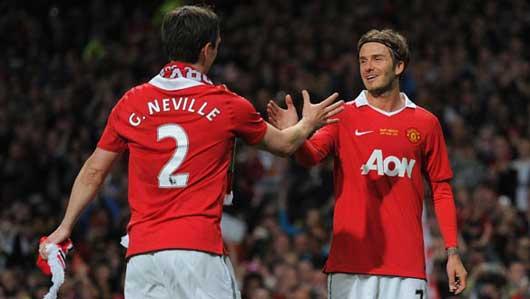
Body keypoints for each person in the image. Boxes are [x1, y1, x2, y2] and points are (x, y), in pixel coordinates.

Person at [38, 5, 343, 299]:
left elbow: (94, 170)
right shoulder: (227, 105)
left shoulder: (131, 102)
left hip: (143, 258)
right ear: (207, 50)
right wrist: (307, 123)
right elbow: (286, 145)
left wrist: (64, 227)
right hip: (197, 252)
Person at [267, 29, 468, 298]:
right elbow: (310, 156)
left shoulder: (426, 123)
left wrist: (452, 252)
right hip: (350, 265)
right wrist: (298, 132)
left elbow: (441, 189)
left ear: (399, 66)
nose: (368, 67)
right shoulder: (343, 115)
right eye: (362, 60)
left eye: (377, 59)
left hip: (406, 267)